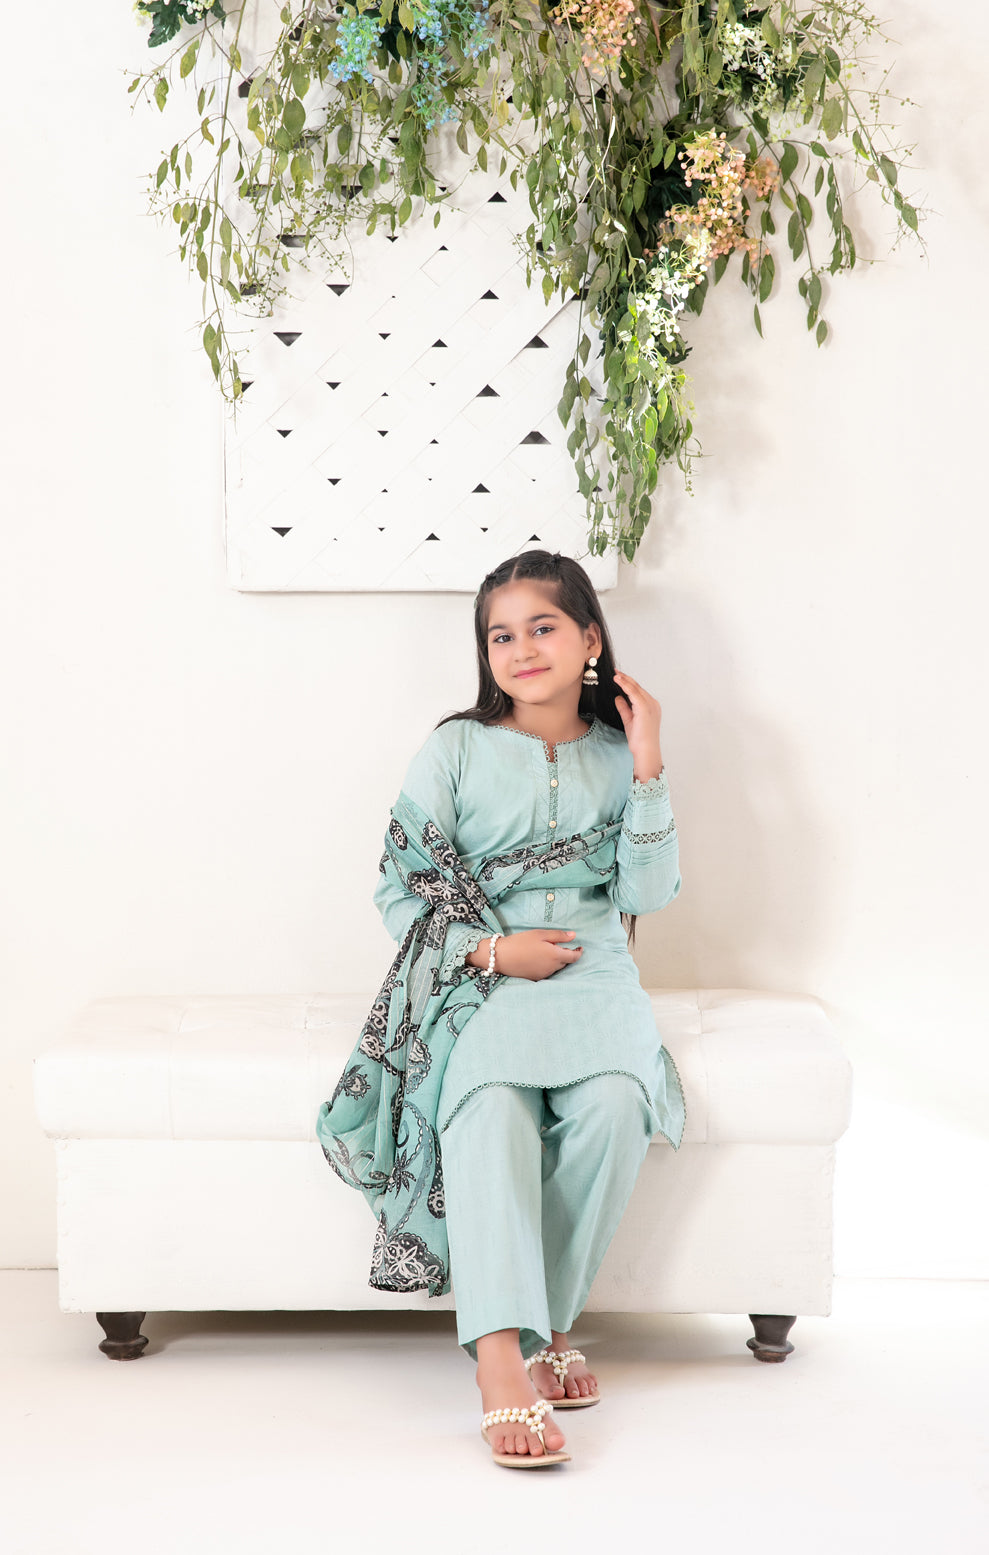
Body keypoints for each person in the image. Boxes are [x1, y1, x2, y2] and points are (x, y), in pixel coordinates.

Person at [358, 547, 686, 1468]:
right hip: (482, 971)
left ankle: (548, 1325)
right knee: (490, 1106)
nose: (521, 648)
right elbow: (399, 890)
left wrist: (649, 761)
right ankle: (503, 1358)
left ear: (589, 639)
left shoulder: (619, 755)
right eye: (500, 635)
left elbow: (646, 892)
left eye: (542, 627)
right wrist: (494, 950)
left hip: (594, 970)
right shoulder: (454, 748)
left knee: (616, 1104)